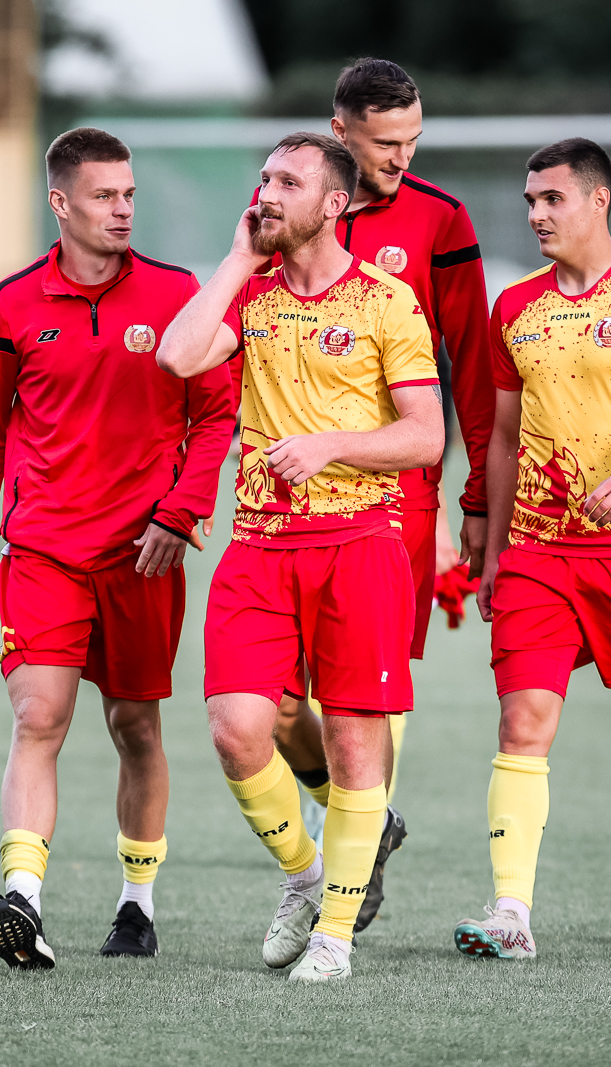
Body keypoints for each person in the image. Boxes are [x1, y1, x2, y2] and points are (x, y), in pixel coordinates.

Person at [158, 132, 445, 983]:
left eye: (289, 180)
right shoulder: (250, 293)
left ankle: (336, 938)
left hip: (360, 544)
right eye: (264, 178)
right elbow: (177, 356)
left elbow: (426, 436)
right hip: (258, 545)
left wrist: (332, 445)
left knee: (356, 747)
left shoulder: (388, 301)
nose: (267, 192)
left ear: (335, 203)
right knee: (237, 730)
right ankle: (306, 878)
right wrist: (235, 259)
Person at [0, 128, 236, 968]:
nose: (123, 209)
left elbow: (215, 414)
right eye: (105, 195)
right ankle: (23, 898)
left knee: (135, 727)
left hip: (144, 555)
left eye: (129, 195)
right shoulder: (13, 303)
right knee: (38, 715)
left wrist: (181, 512)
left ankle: (136, 905)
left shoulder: (177, 293)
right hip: (43, 551)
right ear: (61, 202)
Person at [452, 138, 611, 961]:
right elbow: (502, 437)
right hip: (538, 553)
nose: (536, 214)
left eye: (552, 199)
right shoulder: (514, 306)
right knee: (521, 720)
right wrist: (497, 550)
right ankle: (511, 913)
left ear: (598, 200)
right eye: (530, 201)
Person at [255, 59, 494, 932]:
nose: (402, 156)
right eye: (387, 141)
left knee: (368, 688)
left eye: (413, 140)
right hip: (282, 502)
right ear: (340, 131)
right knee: (276, 705)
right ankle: (365, 816)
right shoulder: (281, 209)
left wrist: (476, 499)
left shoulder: (440, 217)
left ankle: (349, 866)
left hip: (399, 495)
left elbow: (472, 363)